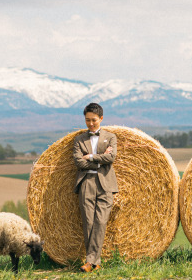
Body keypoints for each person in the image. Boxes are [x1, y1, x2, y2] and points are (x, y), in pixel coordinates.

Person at [73, 103, 118, 272]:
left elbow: (111, 157)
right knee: (88, 222)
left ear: (101, 118)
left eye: (93, 120)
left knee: (101, 221)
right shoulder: (79, 139)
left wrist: (91, 156)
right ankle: (95, 262)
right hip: (86, 182)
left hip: (105, 183)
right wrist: (101, 158)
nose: (90, 124)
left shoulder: (111, 137)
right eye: (87, 120)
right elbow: (79, 162)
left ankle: (90, 261)